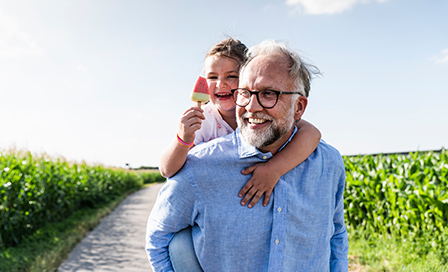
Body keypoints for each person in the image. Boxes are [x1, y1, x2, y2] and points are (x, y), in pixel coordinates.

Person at [146, 39, 349, 271]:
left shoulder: (329, 163)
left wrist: (274, 169)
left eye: (269, 93)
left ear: (299, 107)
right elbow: (159, 237)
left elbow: (336, 236)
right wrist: (182, 139)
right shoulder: (200, 158)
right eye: (245, 93)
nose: (252, 106)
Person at [159, 38, 321, 208]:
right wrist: (182, 139)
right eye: (212, 77)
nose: (221, 84)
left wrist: (274, 169)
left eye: (231, 76)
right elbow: (166, 169)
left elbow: (312, 134)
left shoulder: (262, 114)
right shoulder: (203, 119)